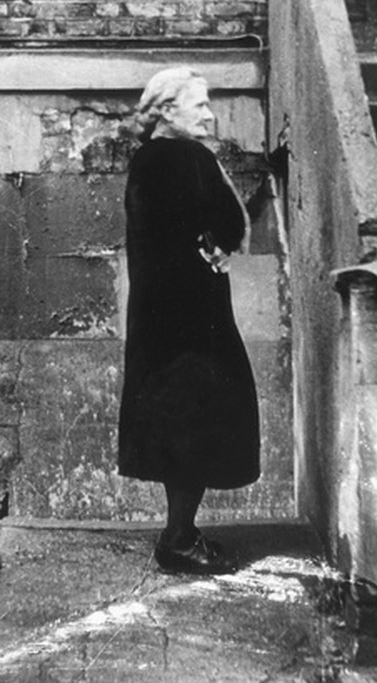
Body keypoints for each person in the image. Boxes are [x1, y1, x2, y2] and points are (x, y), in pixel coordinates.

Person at [118, 66, 260, 574]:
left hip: (159, 316)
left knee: (176, 426)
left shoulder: (145, 161)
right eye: (199, 105)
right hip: (194, 319)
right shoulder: (189, 156)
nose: (210, 113)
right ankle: (177, 540)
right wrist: (217, 244)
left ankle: (180, 531)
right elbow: (227, 220)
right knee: (201, 422)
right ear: (167, 110)